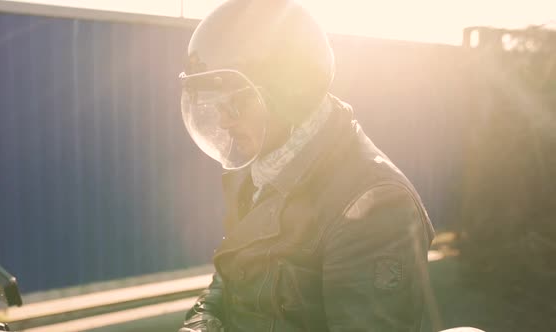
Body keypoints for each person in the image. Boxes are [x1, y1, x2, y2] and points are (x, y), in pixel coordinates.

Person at [177, 0, 435, 331]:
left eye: (235, 102)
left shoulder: (377, 206)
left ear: (288, 93)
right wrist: (204, 319)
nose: (224, 121)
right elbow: (234, 272)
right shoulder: (262, 170)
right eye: (216, 105)